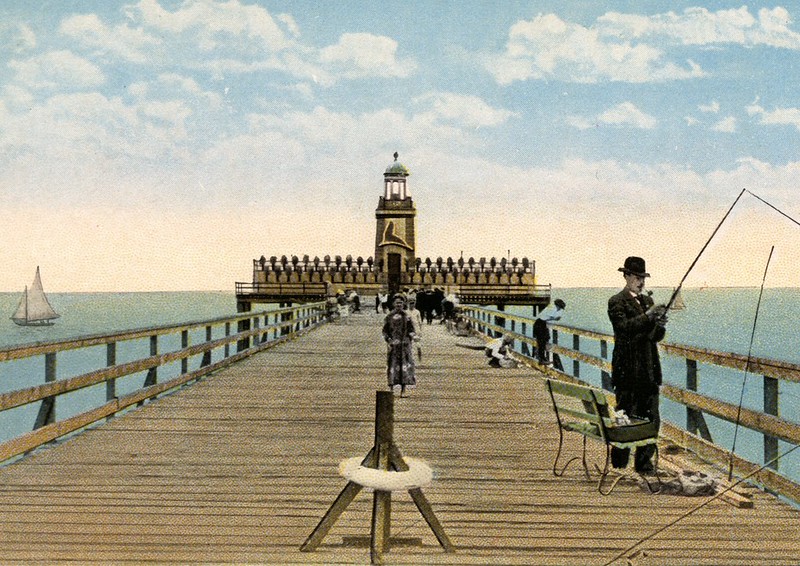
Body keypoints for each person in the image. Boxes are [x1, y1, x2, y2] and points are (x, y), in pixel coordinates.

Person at [607, 256, 668, 474]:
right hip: (627, 373)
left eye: (643, 278)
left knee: (652, 420)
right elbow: (624, 329)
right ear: (626, 276)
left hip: (649, 371)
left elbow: (653, 337)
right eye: (636, 277)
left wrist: (659, 325)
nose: (640, 282)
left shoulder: (647, 302)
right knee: (624, 420)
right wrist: (649, 316)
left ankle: (644, 464)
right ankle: (618, 465)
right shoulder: (616, 302)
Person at [382, 294, 417, 396]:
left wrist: (411, 337)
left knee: (404, 367)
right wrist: (388, 340)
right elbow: (385, 331)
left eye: (401, 303)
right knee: (392, 366)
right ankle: (391, 389)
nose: (399, 305)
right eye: (397, 303)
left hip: (404, 346)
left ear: (403, 304)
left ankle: (403, 390)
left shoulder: (407, 317)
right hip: (393, 346)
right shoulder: (389, 317)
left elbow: (412, 330)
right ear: (393, 304)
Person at [533, 299, 566, 364]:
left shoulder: (551, 308)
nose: (560, 309)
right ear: (557, 305)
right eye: (560, 307)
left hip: (541, 323)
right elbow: (555, 318)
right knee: (541, 341)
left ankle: (541, 356)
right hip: (540, 324)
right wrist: (556, 318)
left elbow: (550, 318)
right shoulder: (552, 309)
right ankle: (541, 359)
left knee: (546, 338)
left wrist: (556, 318)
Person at [407, 296, 423, 361]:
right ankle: (410, 359)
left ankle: (420, 359)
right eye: (410, 303)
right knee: (409, 346)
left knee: (418, 346)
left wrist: (420, 330)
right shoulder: (406, 312)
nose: (412, 305)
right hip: (408, 330)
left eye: (413, 303)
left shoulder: (417, 312)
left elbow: (420, 321)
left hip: (416, 329)